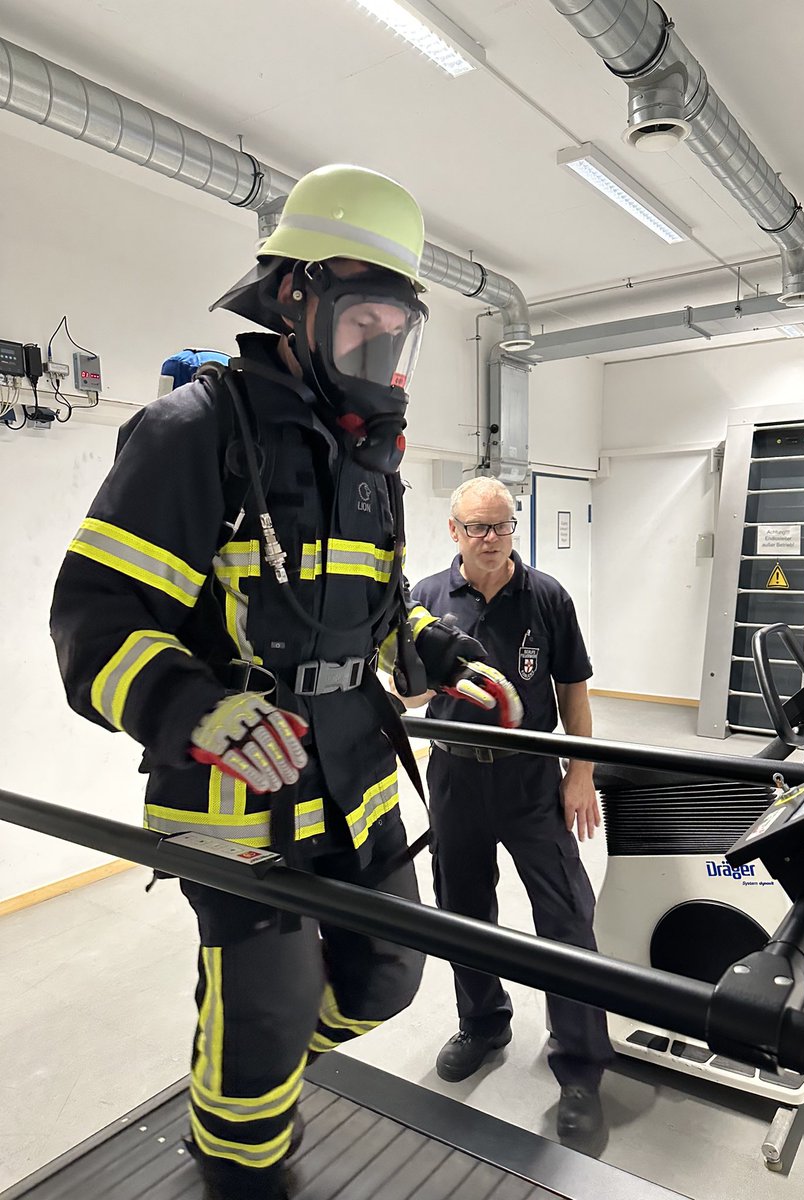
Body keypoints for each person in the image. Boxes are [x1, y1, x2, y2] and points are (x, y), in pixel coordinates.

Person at [49, 164, 522, 1200]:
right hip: (223, 798)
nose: (380, 347)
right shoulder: (192, 431)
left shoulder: (369, 462)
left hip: (355, 770)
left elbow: (382, 608)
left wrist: (443, 655)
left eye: (399, 328)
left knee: (391, 977)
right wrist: (193, 708)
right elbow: (91, 622)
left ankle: (244, 1070)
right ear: (295, 297)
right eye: (363, 317)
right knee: (264, 1015)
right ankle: (240, 1167)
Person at [404, 476, 613, 1144]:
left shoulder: (546, 596)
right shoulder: (427, 599)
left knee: (566, 917)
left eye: (500, 527)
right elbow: (404, 696)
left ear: (512, 528)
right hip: (455, 777)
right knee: (462, 911)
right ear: (454, 531)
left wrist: (580, 773)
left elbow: (574, 693)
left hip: (530, 781)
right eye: (476, 528)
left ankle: (579, 1068)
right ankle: (484, 1025)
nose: (489, 540)